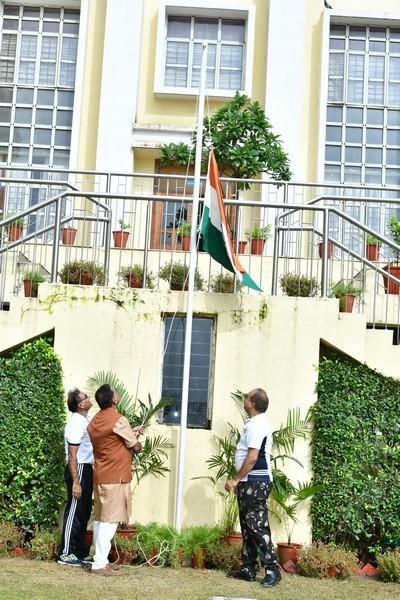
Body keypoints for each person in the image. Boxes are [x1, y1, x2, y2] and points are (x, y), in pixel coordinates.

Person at [225, 388, 281, 588]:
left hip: (255, 481)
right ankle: (248, 569)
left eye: (247, 397)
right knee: (248, 527)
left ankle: (273, 570)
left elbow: (252, 457)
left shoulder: (258, 424)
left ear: (253, 403)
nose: (244, 399)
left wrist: (235, 480)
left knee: (257, 526)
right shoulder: (254, 422)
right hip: (250, 481)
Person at [87, 384, 143, 576]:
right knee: (110, 521)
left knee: (100, 519)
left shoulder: (94, 421)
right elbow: (136, 447)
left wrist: (129, 431)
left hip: (100, 475)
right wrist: (135, 439)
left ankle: (100, 560)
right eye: (115, 391)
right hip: (115, 477)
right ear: (114, 399)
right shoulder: (119, 420)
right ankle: (99, 564)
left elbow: (110, 439)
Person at [58, 388, 94, 566]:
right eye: (86, 397)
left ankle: (80, 551)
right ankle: (65, 553)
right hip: (77, 467)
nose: (89, 397)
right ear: (80, 404)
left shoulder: (87, 420)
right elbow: (72, 456)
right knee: (74, 510)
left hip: (87, 468)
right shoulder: (75, 423)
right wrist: (76, 483)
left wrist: (131, 432)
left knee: (84, 511)